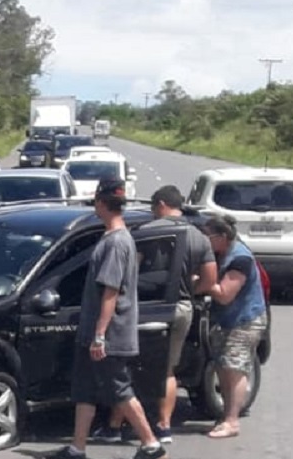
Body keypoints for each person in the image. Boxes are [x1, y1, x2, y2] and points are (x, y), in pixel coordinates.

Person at [43, 178, 167, 459]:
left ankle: (151, 445)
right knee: (85, 389)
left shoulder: (116, 242)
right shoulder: (115, 238)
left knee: (118, 389)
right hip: (92, 332)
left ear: (100, 202)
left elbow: (110, 292)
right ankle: (77, 449)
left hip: (109, 335)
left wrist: (100, 335)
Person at [92, 185, 218, 444]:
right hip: (182, 307)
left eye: (152, 207)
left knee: (132, 369)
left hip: (146, 308)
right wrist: (186, 290)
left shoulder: (145, 233)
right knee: (168, 368)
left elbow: (129, 272)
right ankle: (164, 426)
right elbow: (209, 280)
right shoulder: (199, 237)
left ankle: (116, 425)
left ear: (161, 204)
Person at [202, 214, 267, 439]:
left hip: (244, 321)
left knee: (235, 369)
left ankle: (232, 421)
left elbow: (224, 295)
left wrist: (201, 282)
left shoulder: (240, 259)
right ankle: (225, 417)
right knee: (222, 366)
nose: (205, 241)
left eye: (207, 237)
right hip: (226, 321)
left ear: (222, 237)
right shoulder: (223, 255)